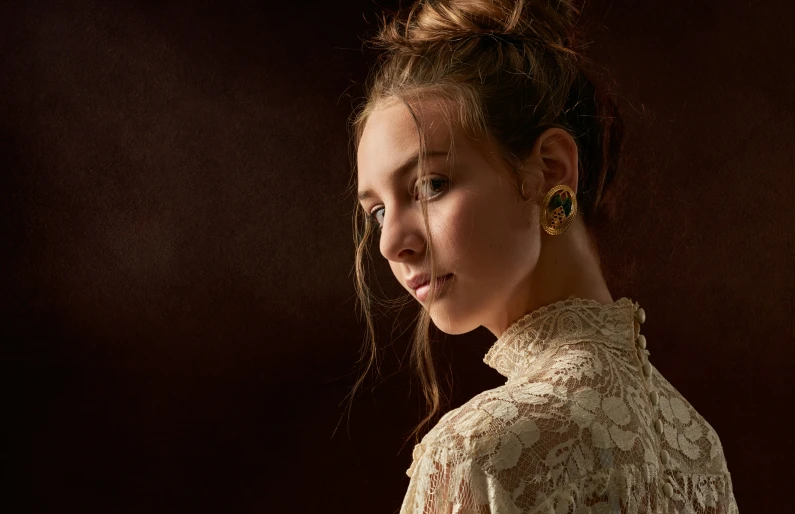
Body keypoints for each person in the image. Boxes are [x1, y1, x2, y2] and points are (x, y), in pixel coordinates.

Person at [348, 0, 738, 512]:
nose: (390, 242)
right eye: (377, 211)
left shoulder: (476, 455)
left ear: (551, 170)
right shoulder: (699, 449)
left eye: (430, 185)